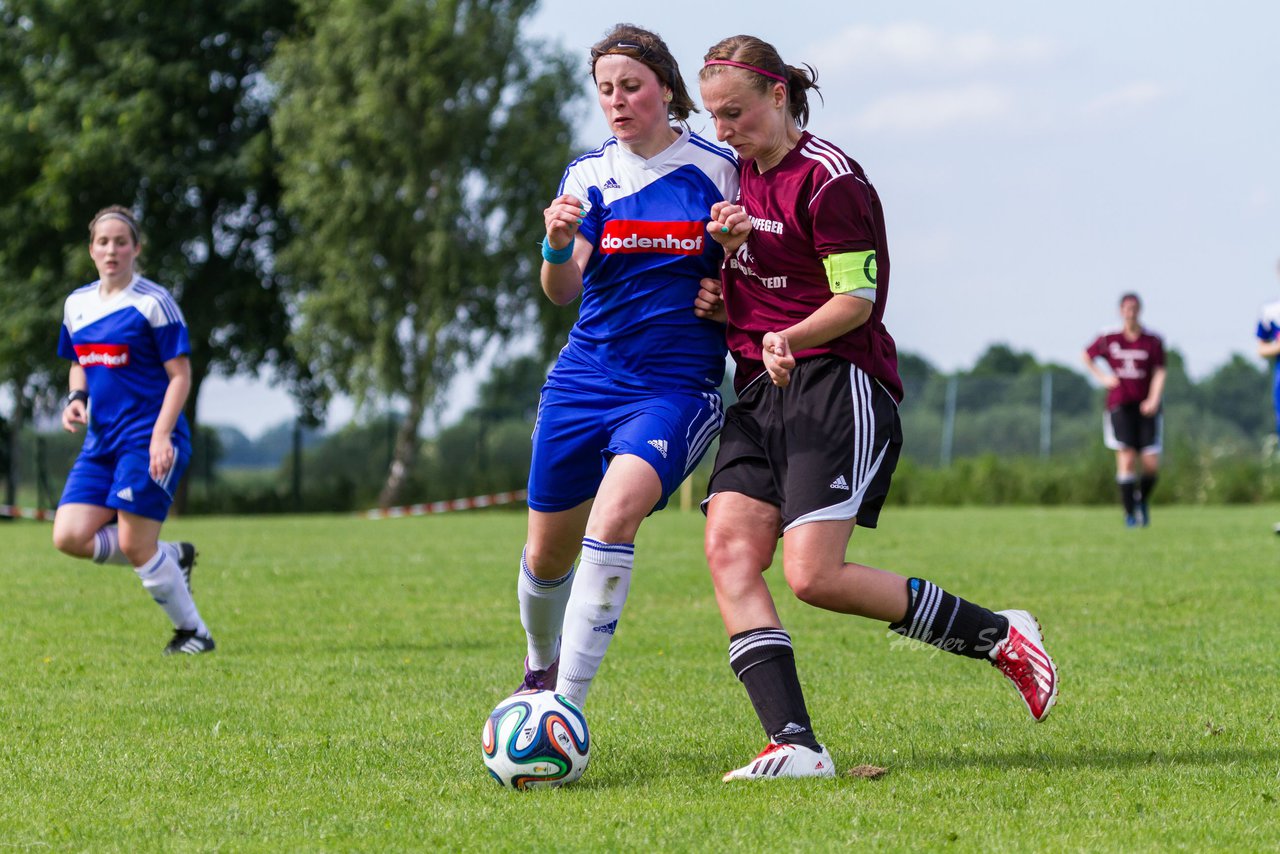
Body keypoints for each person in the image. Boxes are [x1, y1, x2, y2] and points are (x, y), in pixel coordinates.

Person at [694, 34, 1058, 781]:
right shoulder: (738, 177)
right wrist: (722, 283)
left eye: (735, 113)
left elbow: (855, 301)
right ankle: (795, 743)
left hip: (837, 382)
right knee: (729, 551)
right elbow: (763, 275)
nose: (724, 130)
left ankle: (997, 636)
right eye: (714, 117)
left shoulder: (831, 182)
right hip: (761, 390)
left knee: (813, 576)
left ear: (780, 96)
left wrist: (785, 333)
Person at [513, 25, 738, 712]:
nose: (617, 101)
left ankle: (565, 707)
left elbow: (749, 272)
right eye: (606, 89)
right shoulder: (587, 176)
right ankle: (538, 666)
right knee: (547, 557)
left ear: (665, 88)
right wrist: (555, 248)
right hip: (585, 381)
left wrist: (731, 294)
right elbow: (562, 291)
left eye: (631, 87)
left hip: (675, 388)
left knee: (611, 520)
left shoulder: (720, 169)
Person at [51, 205, 215, 655]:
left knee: (133, 543)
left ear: (136, 248)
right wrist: (76, 399)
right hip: (101, 442)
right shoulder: (77, 304)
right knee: (68, 535)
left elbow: (180, 376)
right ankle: (169, 557)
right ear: (91, 249)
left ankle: (194, 633)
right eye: (103, 242)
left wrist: (162, 435)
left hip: (148, 439)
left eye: (121, 242)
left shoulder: (153, 302)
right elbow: (79, 363)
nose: (111, 250)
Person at [1083, 293, 1167, 527]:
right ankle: (1130, 514)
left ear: (1140, 310)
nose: (1131, 312)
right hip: (1120, 405)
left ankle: (1140, 499)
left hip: (1146, 407)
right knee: (1127, 457)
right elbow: (1086, 355)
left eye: (1134, 308)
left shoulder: (1152, 340)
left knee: (1150, 463)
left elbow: (1160, 371)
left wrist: (1153, 398)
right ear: (1121, 311)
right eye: (1127, 308)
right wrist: (1103, 378)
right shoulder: (1109, 337)